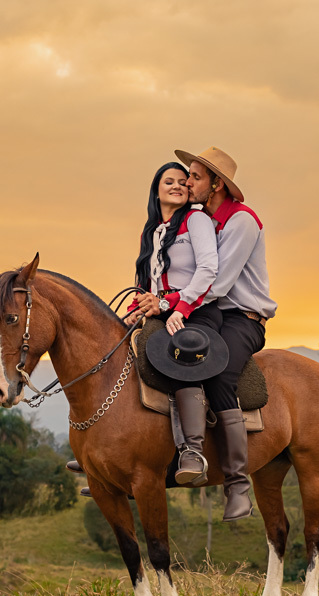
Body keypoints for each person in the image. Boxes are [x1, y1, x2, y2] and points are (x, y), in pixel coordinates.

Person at [70, 162, 221, 486]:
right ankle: (99, 444)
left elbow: (208, 270)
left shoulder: (196, 220)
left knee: (181, 356)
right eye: (170, 181)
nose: (178, 186)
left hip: (193, 308)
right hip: (157, 308)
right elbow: (146, 283)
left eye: (184, 182)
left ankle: (192, 450)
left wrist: (174, 303)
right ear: (157, 189)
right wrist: (135, 310)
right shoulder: (150, 231)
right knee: (107, 348)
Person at [170, 146, 277, 521]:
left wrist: (175, 304)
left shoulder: (241, 221)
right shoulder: (204, 221)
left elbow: (216, 281)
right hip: (211, 311)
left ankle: (237, 485)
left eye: (196, 177)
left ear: (217, 184)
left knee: (217, 373)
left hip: (242, 318)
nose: (188, 181)